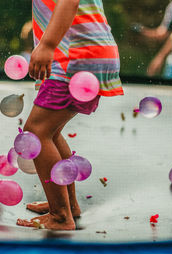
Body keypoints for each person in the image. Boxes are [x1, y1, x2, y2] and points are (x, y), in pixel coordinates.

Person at [16, 0, 123, 230]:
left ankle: (60, 216)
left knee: (36, 133)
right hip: (85, 54)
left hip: (74, 56)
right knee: (50, 133)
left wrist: (47, 45)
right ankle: (68, 205)